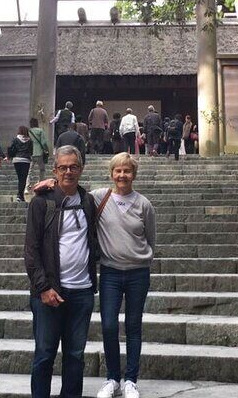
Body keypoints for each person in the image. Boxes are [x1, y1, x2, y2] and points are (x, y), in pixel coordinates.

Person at [24, 145, 99, 398]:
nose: (69, 172)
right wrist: (43, 288)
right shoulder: (41, 202)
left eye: (74, 166)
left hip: (81, 293)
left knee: (75, 356)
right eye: (63, 167)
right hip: (49, 293)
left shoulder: (88, 200)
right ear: (55, 170)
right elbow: (31, 251)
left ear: (81, 169)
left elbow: (119, 191)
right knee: (44, 354)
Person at [93, 152, 155, 398]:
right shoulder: (99, 197)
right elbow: (72, 194)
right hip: (109, 272)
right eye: (118, 171)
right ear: (111, 174)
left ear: (134, 175)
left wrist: (143, 257)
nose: (122, 175)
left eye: (127, 171)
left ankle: (131, 379)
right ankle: (112, 378)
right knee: (108, 325)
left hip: (138, 273)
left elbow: (151, 238)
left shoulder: (144, 204)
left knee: (133, 325)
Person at [8, 126, 33, 202]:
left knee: (20, 178)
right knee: (23, 179)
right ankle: (20, 195)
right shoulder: (30, 141)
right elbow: (31, 151)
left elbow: (12, 149)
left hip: (17, 160)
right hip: (26, 160)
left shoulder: (15, 139)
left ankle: (20, 195)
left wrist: (9, 156)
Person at [27, 118, 50, 192]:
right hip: (39, 152)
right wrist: (46, 149)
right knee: (42, 169)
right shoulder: (40, 131)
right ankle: (41, 184)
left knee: (30, 171)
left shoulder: (29, 131)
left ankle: (27, 186)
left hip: (30, 153)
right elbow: (43, 142)